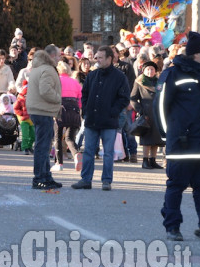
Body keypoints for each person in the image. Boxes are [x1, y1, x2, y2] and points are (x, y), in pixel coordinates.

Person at [154, 31, 200, 242]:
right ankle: (172, 227)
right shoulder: (173, 74)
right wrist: (168, 137)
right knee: (176, 186)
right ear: (197, 53)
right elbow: (159, 107)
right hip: (181, 144)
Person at [72, 46, 130, 191]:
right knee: (89, 151)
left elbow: (124, 98)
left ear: (109, 59)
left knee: (108, 152)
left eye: (100, 57)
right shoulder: (92, 75)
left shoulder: (119, 77)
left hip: (109, 121)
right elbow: (84, 94)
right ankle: (86, 180)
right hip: (92, 119)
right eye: (96, 57)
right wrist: (85, 110)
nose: (97, 60)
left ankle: (106, 181)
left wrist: (113, 111)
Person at [26, 45, 63, 190]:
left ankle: (46, 176)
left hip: (38, 110)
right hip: (43, 111)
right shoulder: (47, 69)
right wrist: (58, 99)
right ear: (52, 56)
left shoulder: (38, 68)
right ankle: (40, 177)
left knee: (44, 145)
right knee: (43, 146)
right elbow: (45, 89)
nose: (60, 59)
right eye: (59, 56)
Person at [130, 61, 164, 169]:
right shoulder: (139, 82)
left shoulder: (159, 82)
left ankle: (153, 160)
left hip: (158, 113)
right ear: (143, 71)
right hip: (146, 113)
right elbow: (133, 98)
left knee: (157, 139)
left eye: (152, 69)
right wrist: (140, 110)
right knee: (147, 138)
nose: (150, 71)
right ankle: (145, 160)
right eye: (148, 69)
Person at [51, 61, 82, 172]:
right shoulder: (75, 82)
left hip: (60, 108)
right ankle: (76, 154)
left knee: (57, 137)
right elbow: (80, 98)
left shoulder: (56, 81)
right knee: (70, 138)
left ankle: (59, 163)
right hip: (74, 109)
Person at [13, 79, 34, 155]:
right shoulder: (20, 100)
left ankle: (29, 146)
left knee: (33, 135)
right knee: (25, 134)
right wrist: (21, 114)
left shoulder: (33, 99)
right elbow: (15, 108)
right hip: (23, 119)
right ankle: (24, 147)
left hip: (31, 119)